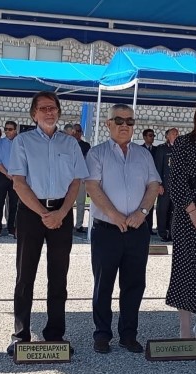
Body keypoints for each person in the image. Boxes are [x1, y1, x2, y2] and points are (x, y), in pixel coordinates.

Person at [7, 92, 88, 355]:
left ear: (59, 112)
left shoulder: (70, 143)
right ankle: (21, 335)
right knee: (25, 275)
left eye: (52, 108)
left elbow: (76, 182)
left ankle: (55, 334)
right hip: (32, 212)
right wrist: (44, 213)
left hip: (61, 212)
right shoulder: (23, 142)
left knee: (58, 276)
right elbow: (19, 183)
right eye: (43, 108)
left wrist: (61, 212)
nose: (49, 112)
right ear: (34, 114)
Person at [86, 104, 160, 354]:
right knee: (103, 284)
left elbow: (153, 185)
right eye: (119, 120)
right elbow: (92, 186)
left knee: (134, 284)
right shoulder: (97, 153)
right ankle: (102, 335)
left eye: (130, 121)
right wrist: (114, 215)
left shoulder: (144, 155)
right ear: (108, 124)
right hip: (107, 230)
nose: (124, 125)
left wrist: (142, 212)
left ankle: (128, 335)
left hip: (137, 230)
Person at [166, 115, 196, 338]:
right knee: (185, 270)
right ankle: (185, 328)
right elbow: (175, 182)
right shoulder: (183, 143)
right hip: (188, 216)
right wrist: (192, 211)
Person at [0, 120, 19, 237]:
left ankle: (11, 227)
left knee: (14, 203)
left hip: (16, 177)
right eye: (6, 129)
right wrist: (7, 174)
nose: (7, 131)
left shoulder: (20, 143)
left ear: (15, 130)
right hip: (2, 175)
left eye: (10, 129)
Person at [154, 127, 179, 241]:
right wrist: (159, 184)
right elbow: (158, 167)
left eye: (177, 134)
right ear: (167, 136)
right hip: (165, 185)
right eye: (173, 134)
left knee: (175, 210)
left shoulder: (180, 148)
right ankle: (163, 232)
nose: (176, 136)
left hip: (177, 186)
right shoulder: (162, 149)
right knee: (163, 210)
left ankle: (172, 232)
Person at [71, 123, 91, 233]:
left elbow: (87, 161)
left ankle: (79, 225)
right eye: (75, 131)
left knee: (80, 202)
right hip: (68, 178)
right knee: (67, 202)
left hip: (80, 177)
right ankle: (68, 224)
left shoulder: (86, 146)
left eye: (79, 131)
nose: (77, 133)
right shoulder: (67, 143)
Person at [141, 128, 157, 234]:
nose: (152, 138)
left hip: (152, 181)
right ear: (144, 137)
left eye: (153, 136)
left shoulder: (157, 150)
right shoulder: (139, 149)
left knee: (150, 204)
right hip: (142, 181)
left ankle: (149, 228)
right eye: (150, 135)